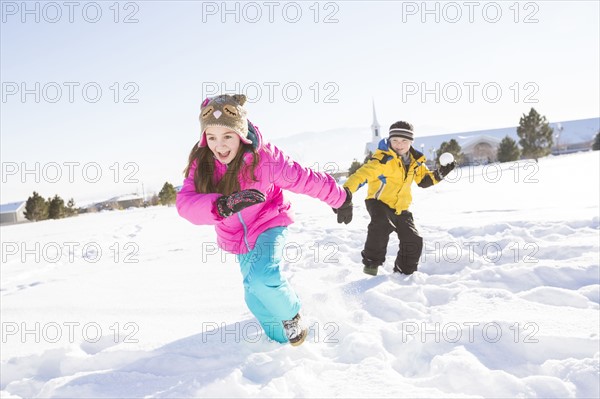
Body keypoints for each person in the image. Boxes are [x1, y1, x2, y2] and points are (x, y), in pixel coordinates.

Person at [176, 94, 352, 346]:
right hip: (236, 237)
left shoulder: (265, 158)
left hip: (269, 221)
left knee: (263, 277)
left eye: (227, 136)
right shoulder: (202, 163)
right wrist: (222, 206)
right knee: (254, 297)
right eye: (212, 137)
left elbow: (303, 178)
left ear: (241, 133)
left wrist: (340, 198)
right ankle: (283, 342)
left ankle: (292, 316)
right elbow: (185, 203)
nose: (220, 145)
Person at [339, 121, 455, 276]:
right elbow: (361, 176)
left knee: (414, 240)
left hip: (401, 207)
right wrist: (344, 194)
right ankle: (371, 264)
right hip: (378, 202)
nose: (399, 145)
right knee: (381, 224)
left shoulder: (415, 161)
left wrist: (441, 173)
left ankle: (404, 272)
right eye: (395, 141)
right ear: (390, 140)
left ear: (411, 142)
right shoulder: (382, 160)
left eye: (404, 141)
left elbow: (424, 181)